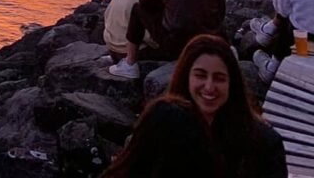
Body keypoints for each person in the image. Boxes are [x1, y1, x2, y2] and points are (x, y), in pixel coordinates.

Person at [102, 34, 287, 177]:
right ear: (186, 77)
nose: (209, 87)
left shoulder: (263, 143)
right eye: (200, 75)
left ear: (232, 84)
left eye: (219, 78)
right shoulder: (164, 125)